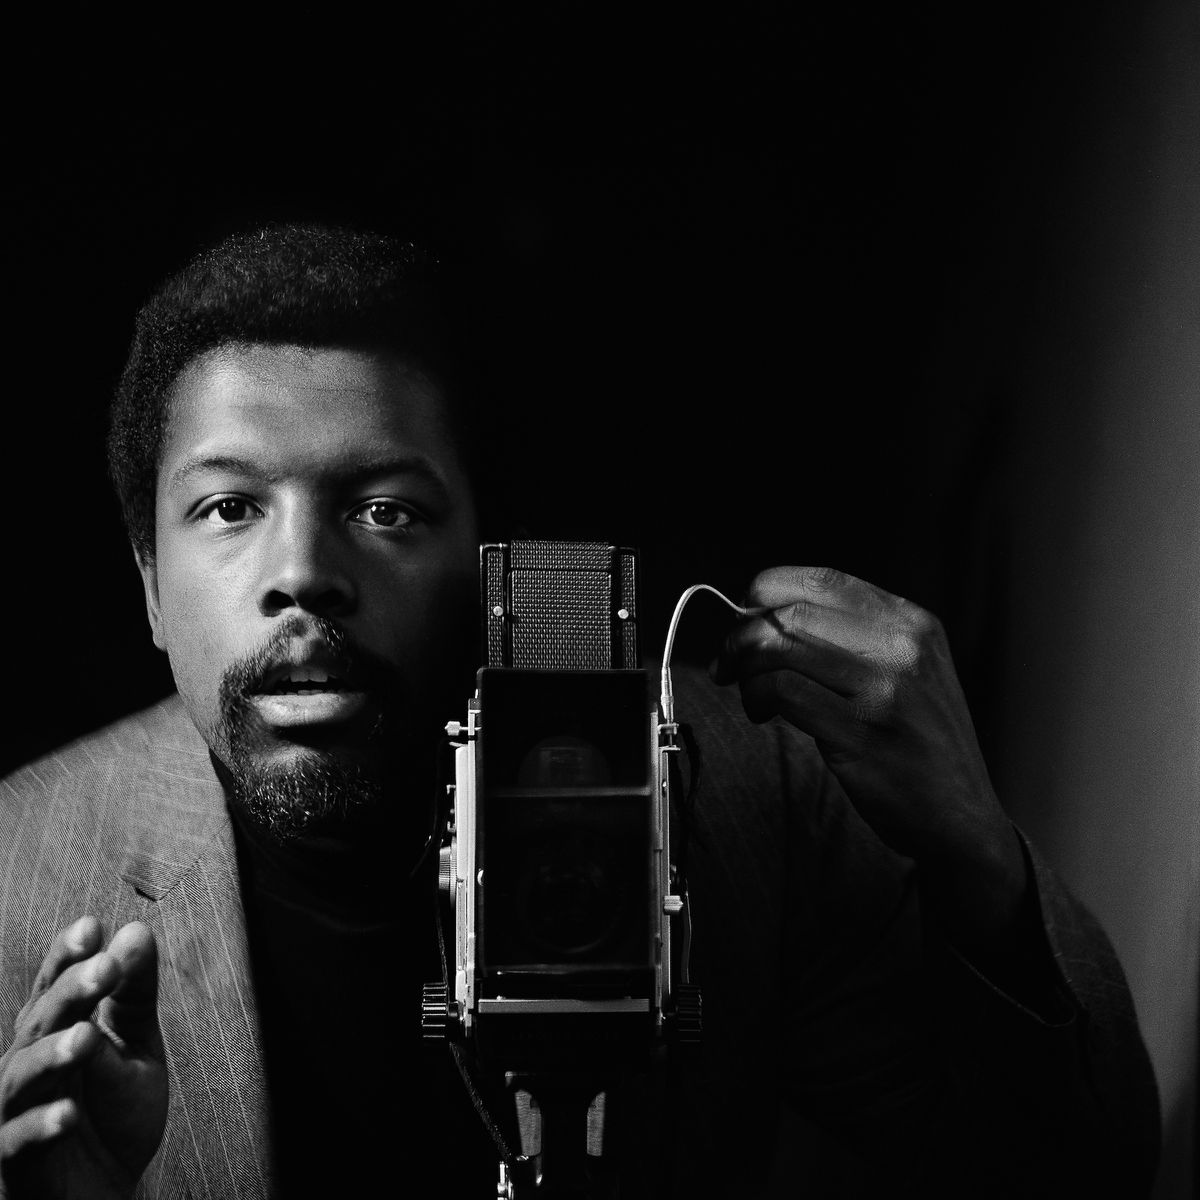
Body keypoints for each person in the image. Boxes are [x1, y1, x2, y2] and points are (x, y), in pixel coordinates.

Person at [0, 223, 1161, 1199]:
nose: (303, 574)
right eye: (229, 508)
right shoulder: (22, 869)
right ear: (149, 584)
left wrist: (975, 848)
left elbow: (1077, 1171)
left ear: (490, 564)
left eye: (386, 509)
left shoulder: (745, 795)